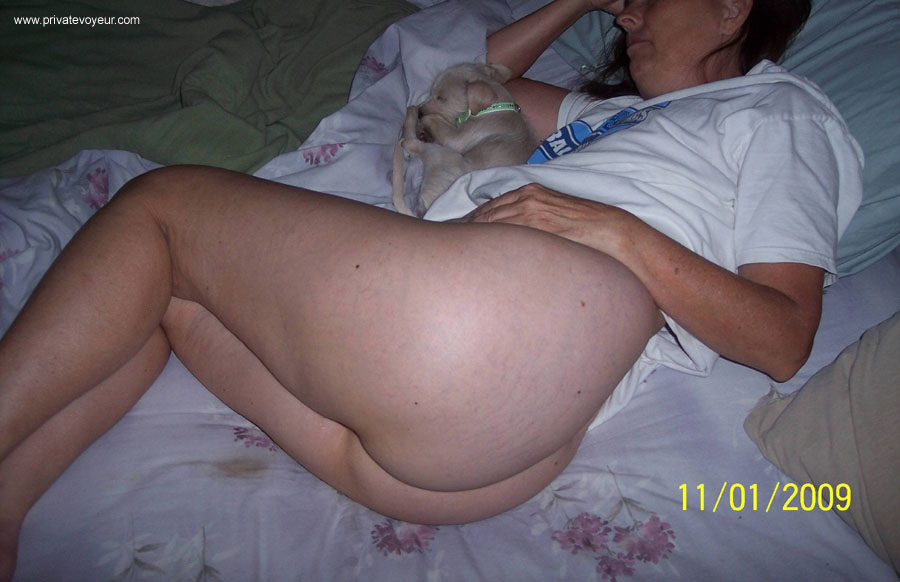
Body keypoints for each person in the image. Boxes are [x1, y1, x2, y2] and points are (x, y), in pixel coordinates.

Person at [0, 0, 861, 578]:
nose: (628, 14)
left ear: (732, 7)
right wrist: (574, 3)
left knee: (159, 209)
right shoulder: (616, 120)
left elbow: (783, 335)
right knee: (165, 294)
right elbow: (460, 87)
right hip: (477, 457)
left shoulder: (778, 109)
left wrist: (611, 229)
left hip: (496, 325)